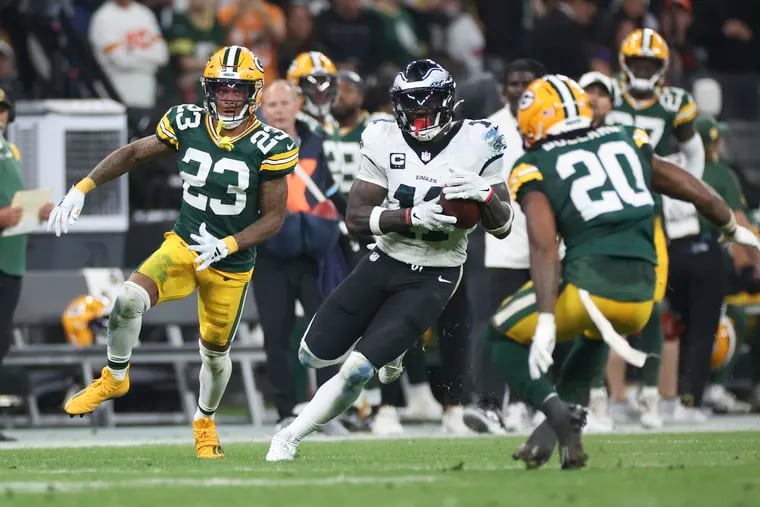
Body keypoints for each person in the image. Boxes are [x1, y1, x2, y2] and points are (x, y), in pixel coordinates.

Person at [490, 74, 760, 470]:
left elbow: (544, 246)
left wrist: (546, 318)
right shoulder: (624, 138)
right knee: (592, 338)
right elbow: (693, 188)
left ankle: (554, 412)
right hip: (641, 296)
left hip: (589, 284)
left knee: (498, 332)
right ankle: (560, 437)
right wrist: (732, 229)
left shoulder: (533, 165)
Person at [47, 46, 296, 459]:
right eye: (221, 88)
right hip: (183, 244)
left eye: (238, 89)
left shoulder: (269, 144)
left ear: (254, 92)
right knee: (127, 299)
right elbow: (131, 153)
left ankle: (204, 422)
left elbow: (274, 219)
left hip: (230, 264)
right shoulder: (187, 121)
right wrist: (81, 189)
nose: (229, 96)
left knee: (215, 357)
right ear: (208, 89)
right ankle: (115, 375)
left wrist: (228, 244)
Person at [265, 58, 514, 461]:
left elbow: (503, 227)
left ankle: (290, 437)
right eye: (409, 102)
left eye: (427, 100)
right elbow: (356, 218)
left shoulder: (480, 141)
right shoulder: (382, 136)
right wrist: (410, 216)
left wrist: (485, 196)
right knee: (312, 353)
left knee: (358, 370)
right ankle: (393, 351)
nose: (417, 111)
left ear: (448, 101)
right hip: (386, 256)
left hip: (436, 271)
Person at [603, 28, 705, 428]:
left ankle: (648, 394)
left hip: (648, 211)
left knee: (653, 303)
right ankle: (604, 397)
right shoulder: (605, 94)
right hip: (606, 212)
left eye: (650, 64)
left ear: (662, 68)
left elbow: (693, 150)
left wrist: (685, 192)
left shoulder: (675, 103)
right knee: (600, 303)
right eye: (638, 62)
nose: (643, 70)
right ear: (625, 65)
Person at [254, 79, 346, 435]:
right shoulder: (253, 145)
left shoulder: (316, 142)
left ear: (297, 106)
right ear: (263, 109)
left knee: (324, 331)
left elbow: (330, 188)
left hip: (313, 252)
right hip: (271, 252)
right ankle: (285, 410)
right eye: (271, 104)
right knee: (275, 333)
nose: (277, 110)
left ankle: (324, 411)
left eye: (283, 103)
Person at [464, 58, 546, 435]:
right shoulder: (489, 129)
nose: (521, 89)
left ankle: (535, 402)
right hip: (498, 238)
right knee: (490, 324)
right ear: (503, 89)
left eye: (528, 82)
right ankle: (489, 404)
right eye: (514, 83)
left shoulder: (558, 123)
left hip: (548, 239)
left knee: (547, 320)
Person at [0, 87, 53, 442]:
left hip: (11, 256)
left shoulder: (11, 149)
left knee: (1, 340)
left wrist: (39, 210)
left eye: (2, 109)